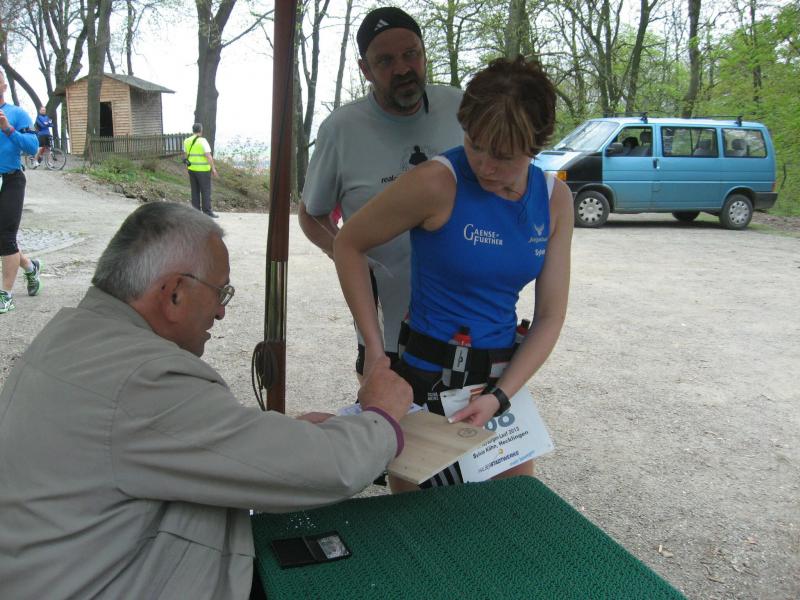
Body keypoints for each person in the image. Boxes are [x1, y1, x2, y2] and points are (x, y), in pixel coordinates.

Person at [0, 202, 413, 599]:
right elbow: (327, 469)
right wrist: (380, 415)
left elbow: (170, 439)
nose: (221, 313)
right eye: (221, 292)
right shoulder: (144, 377)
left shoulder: (73, 335)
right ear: (174, 293)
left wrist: (276, 438)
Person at [334, 56, 574, 492]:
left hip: (498, 385)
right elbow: (348, 243)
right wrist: (374, 350)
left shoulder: (554, 199)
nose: (484, 165)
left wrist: (500, 397)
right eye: (474, 144)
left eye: (502, 155)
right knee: (419, 523)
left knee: (509, 513)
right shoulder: (437, 182)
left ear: (535, 146)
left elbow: (550, 315)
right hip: (426, 381)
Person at [299, 7, 464, 379]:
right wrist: (348, 254)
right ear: (366, 69)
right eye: (386, 61)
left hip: (461, 325)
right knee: (387, 415)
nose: (402, 68)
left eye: (411, 54)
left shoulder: (460, 108)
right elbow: (311, 214)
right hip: (385, 334)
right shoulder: (342, 129)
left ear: (424, 54)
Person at [0, 71, 43, 314]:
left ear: (4, 86)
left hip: (11, 180)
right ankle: (29, 266)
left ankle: (5, 295)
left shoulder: (17, 114)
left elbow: (33, 147)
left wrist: (8, 129)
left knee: (6, 236)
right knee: (3, 239)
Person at [184, 122, 219, 218]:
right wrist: (213, 169)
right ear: (201, 130)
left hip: (192, 169)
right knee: (205, 191)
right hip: (203, 170)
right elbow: (208, 156)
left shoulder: (186, 141)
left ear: (193, 130)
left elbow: (186, 155)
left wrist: (187, 167)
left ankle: (196, 212)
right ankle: (207, 211)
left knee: (194, 191)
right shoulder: (203, 141)